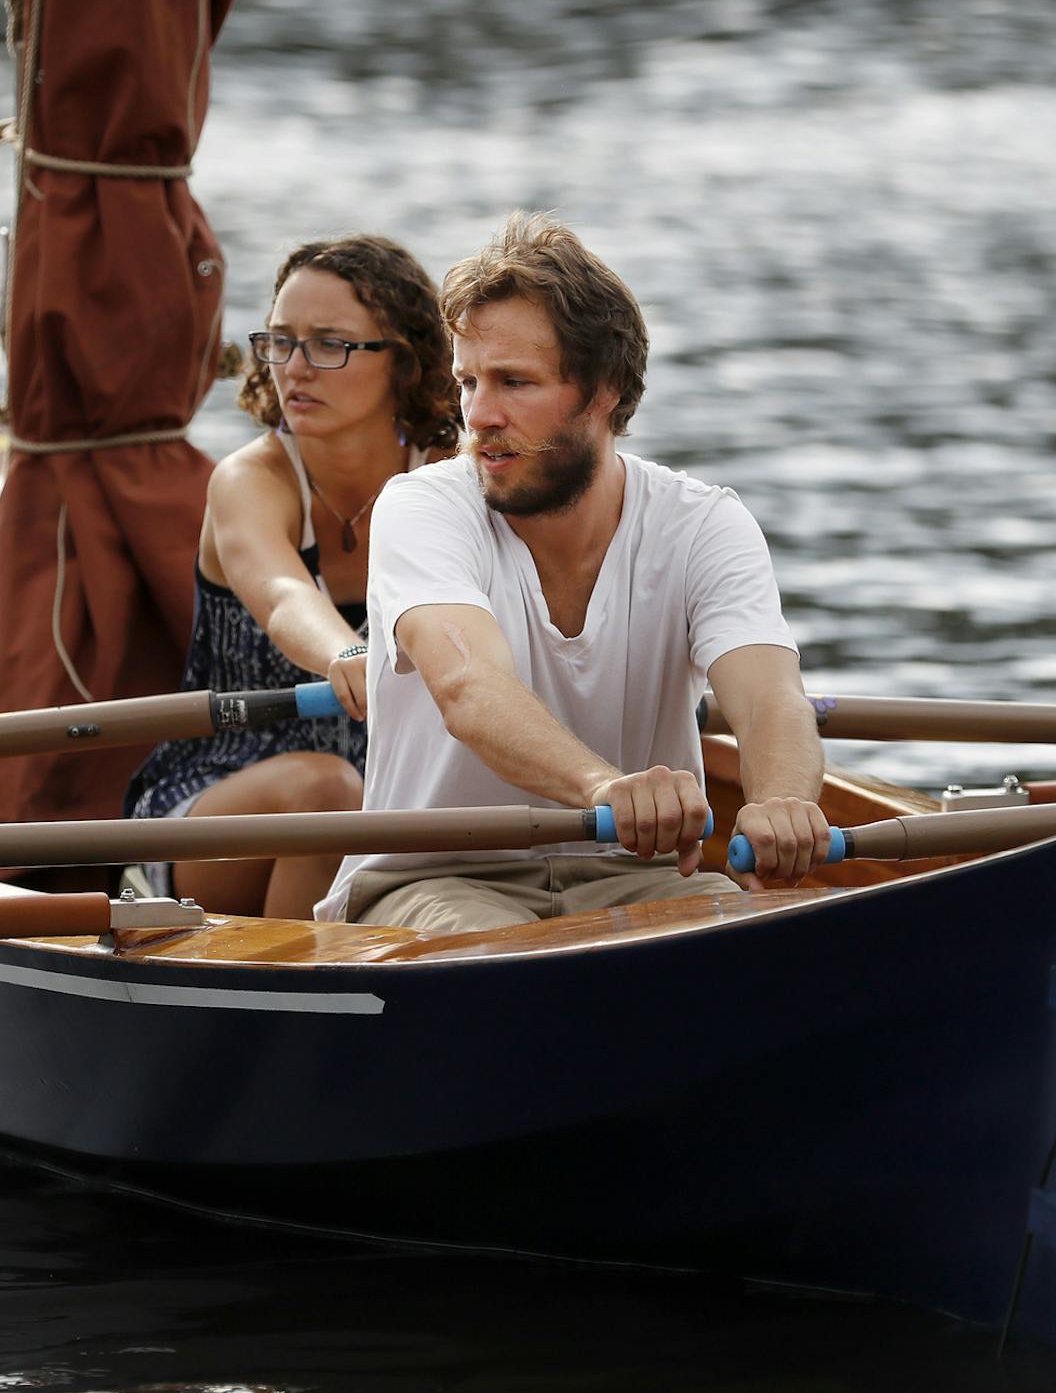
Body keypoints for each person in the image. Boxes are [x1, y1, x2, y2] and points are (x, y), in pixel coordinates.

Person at [313, 212, 829, 932]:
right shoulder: (421, 508)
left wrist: (782, 802)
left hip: (632, 874)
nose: (479, 415)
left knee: (762, 941)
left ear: (604, 391)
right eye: (468, 383)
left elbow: (771, 698)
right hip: (432, 877)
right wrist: (605, 788)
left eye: (514, 382)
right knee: (510, 962)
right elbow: (468, 686)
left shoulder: (705, 523)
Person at [124, 235, 459, 917]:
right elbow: (282, 594)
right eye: (279, 341)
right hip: (225, 797)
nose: (295, 368)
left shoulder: (451, 476)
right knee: (328, 790)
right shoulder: (251, 480)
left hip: (397, 802)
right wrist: (347, 652)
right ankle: (296, 1005)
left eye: (328, 344)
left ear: (403, 362)